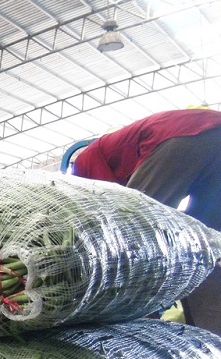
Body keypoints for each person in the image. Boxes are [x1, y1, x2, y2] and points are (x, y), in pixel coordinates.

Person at [72, 108, 221, 334]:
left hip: (181, 136)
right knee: (205, 247)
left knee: (132, 237)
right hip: (214, 134)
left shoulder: (84, 162)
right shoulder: (118, 147)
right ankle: (213, 333)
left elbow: (112, 212)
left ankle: (140, 328)